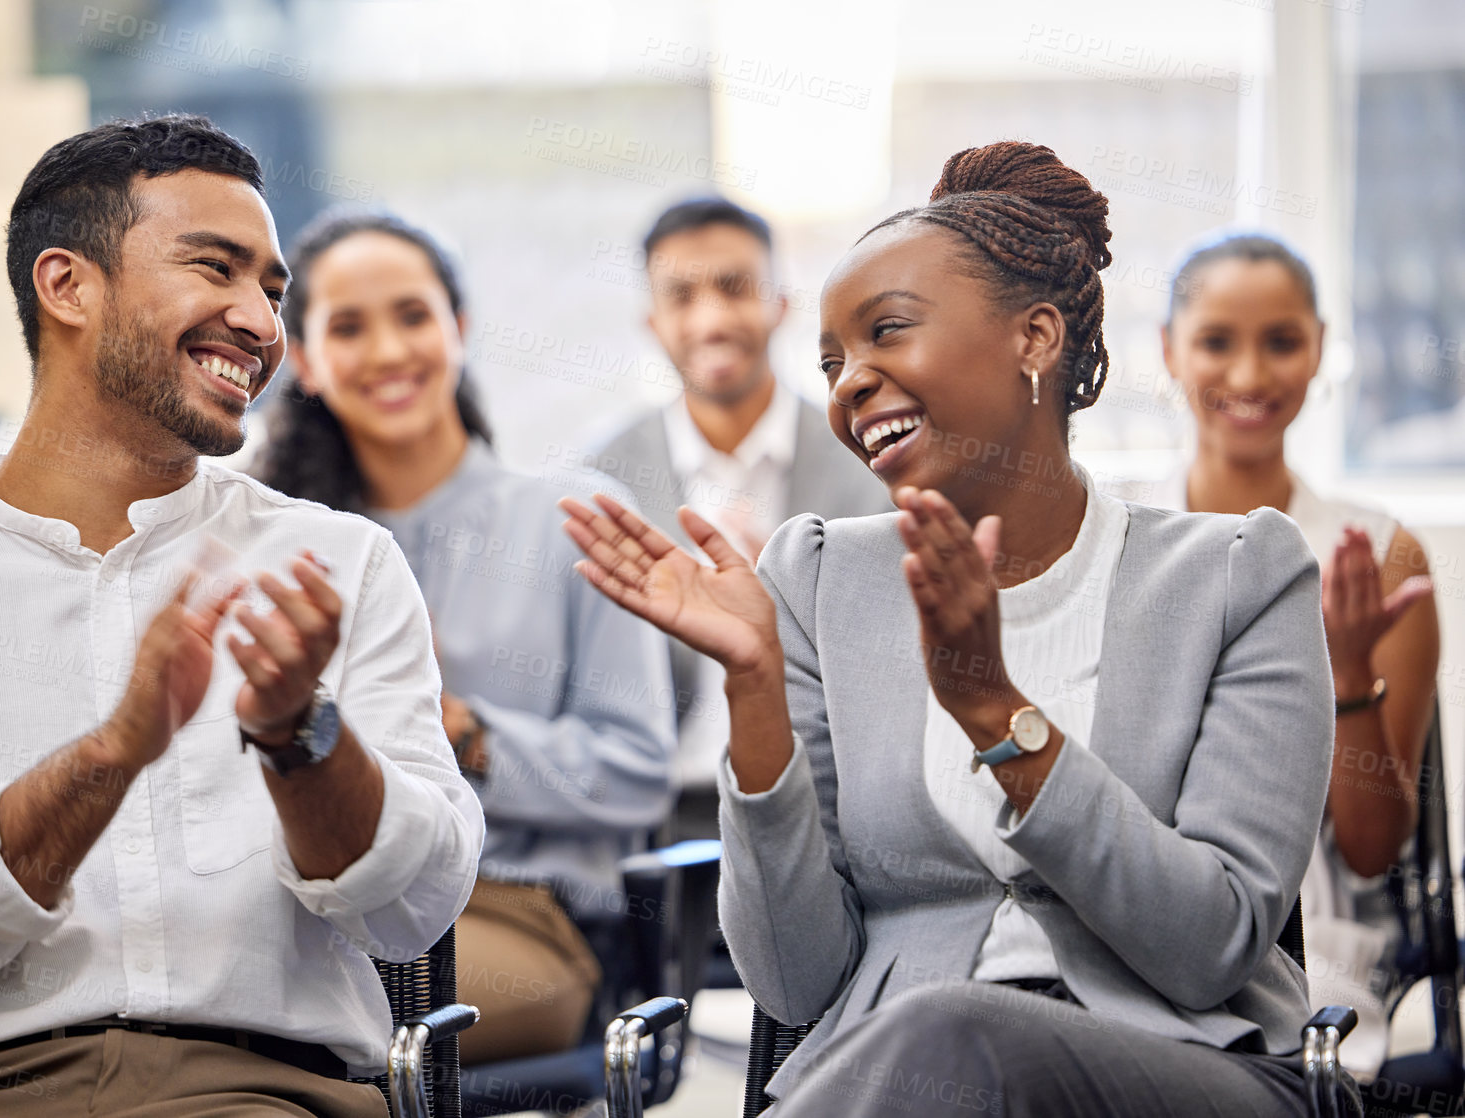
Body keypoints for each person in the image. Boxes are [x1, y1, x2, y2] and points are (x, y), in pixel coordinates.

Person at [560, 142, 1355, 1115]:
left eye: (887, 332)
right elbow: (795, 983)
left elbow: (1211, 945)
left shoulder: (1235, 573)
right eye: (831, 361)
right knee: (942, 1039)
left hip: (1184, 1063)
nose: (849, 382)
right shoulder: (814, 577)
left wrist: (994, 710)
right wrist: (753, 689)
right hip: (903, 1076)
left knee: (960, 1030)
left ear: (1032, 338)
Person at [0, 116, 482, 1118]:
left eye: (271, 290)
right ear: (66, 286)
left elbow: (413, 906)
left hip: (250, 1090)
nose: (262, 323)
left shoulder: (339, 565)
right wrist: (110, 755)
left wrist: (295, 734)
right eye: (214, 269)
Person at [255, 210, 675, 1065]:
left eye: (411, 315)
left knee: (289, 1025)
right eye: (347, 326)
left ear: (460, 327)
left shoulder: (574, 520)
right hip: (311, 907)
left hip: (515, 916)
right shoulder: (285, 541)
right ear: (302, 359)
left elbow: (636, 770)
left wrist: (465, 733)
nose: (385, 352)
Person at [1154, 232, 1440, 1074]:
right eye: (1216, 341)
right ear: (1168, 351)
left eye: (1280, 342)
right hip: (1142, 922)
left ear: (1318, 349)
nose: (1248, 377)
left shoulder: (1380, 556)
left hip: (1315, 955)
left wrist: (1348, 676)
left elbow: (1370, 848)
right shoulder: (1115, 536)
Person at [593, 197, 891, 839]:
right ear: (653, 320)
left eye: (734, 287)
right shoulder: (604, 483)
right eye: (682, 295)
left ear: (781, 303)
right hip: (656, 827)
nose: (711, 318)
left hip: (836, 812)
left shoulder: (874, 460)